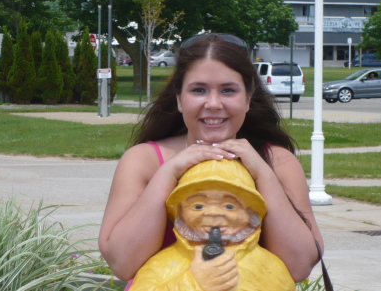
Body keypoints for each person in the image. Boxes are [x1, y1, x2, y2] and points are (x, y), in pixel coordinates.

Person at [98, 33, 323, 289]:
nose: (214, 104)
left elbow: (300, 265)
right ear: (180, 99)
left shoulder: (278, 162)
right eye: (199, 90)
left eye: (228, 90)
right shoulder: (144, 160)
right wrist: (169, 173)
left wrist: (264, 175)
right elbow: (122, 263)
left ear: (248, 98)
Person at [128, 159, 295, 291]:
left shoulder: (269, 267)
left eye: (230, 206)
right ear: (179, 212)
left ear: (251, 214)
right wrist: (191, 283)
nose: (213, 213)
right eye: (198, 206)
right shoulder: (161, 265)